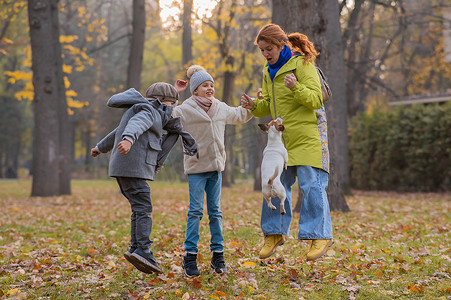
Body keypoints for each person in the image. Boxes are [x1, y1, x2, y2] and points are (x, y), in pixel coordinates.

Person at [241, 24, 333, 261]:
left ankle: (320, 235)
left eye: (268, 48)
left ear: (281, 44)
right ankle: (274, 232)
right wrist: (253, 104)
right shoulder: (267, 70)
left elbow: (315, 99)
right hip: (282, 141)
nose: (265, 54)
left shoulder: (302, 64)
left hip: (307, 137)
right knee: (273, 181)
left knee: (311, 184)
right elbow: (269, 105)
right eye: (262, 50)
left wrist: (295, 87)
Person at [91, 83, 197, 274]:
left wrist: (100, 147)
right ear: (164, 102)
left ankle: (135, 248)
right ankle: (143, 250)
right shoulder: (150, 110)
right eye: (173, 104)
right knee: (144, 208)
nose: (172, 110)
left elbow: (116, 131)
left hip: (124, 168)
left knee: (138, 208)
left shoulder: (144, 106)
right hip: (133, 167)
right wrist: (129, 138)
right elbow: (137, 123)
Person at [173, 65, 253, 277]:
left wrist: (252, 105)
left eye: (212, 85)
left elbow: (239, 115)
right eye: (205, 85)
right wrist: (174, 94)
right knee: (196, 211)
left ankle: (218, 256)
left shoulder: (219, 107)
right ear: (195, 89)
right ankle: (189, 257)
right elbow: (168, 115)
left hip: (216, 169)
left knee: (215, 212)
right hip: (196, 168)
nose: (210, 88)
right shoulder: (185, 109)